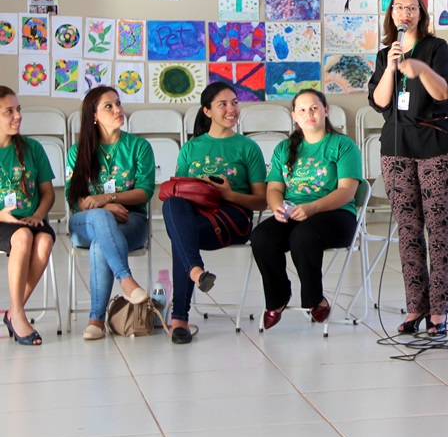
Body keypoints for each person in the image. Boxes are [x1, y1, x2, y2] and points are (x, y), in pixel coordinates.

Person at [368, 0, 448, 336]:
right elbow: (379, 102)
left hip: (436, 145)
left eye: (411, 7)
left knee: (437, 228)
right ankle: (415, 307)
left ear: (421, 13)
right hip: (396, 147)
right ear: (391, 15)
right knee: (408, 230)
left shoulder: (437, 49)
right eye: (398, 8)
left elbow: (444, 93)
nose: (404, 13)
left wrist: (419, 67)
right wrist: (392, 69)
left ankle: (439, 310)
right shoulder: (383, 55)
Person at [162, 83, 267, 344]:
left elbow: (262, 202)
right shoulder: (190, 149)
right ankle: (197, 274)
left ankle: (179, 320)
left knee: (181, 238)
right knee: (173, 207)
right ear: (207, 111)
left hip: (233, 219)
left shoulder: (247, 148)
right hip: (197, 219)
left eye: (234, 102)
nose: (231, 109)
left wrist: (229, 195)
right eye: (223, 104)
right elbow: (179, 193)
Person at [250, 89, 361, 331]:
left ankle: (315, 300)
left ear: (325, 111)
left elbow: (347, 192)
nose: (308, 113)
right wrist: (277, 207)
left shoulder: (343, 145)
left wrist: (313, 207)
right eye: (302, 109)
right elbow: (274, 189)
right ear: (294, 116)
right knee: (261, 236)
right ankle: (277, 299)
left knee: (304, 235)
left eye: (314, 108)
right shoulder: (284, 149)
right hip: (296, 211)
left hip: (336, 214)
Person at [67, 86, 155, 341]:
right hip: (85, 223)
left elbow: (144, 192)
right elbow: (75, 200)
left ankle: (96, 320)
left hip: (131, 221)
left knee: (99, 247)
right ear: (93, 115)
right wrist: (105, 207)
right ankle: (126, 281)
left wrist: (108, 197)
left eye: (118, 103)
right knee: (101, 218)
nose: (118, 110)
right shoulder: (78, 151)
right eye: (109, 106)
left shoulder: (139, 147)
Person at [0, 87, 56, 346]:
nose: (17, 116)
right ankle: (19, 314)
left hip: (30, 219)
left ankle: (14, 311)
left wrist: (39, 215)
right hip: (4, 223)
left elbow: (47, 193)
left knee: (43, 241)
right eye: (9, 111)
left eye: (18, 109)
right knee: (22, 237)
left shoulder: (33, 148)